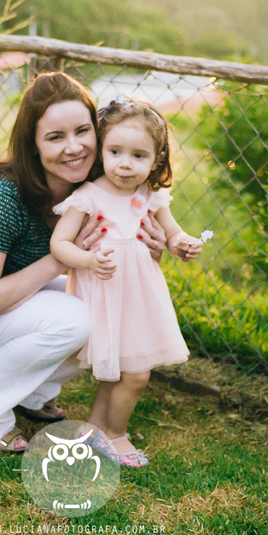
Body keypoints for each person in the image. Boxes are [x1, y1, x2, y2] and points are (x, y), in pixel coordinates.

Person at [0, 72, 168, 453]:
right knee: (74, 319)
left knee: (102, 306)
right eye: (55, 137)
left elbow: (125, 261)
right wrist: (58, 256)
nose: (74, 147)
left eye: (82, 131)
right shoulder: (0, 197)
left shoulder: (98, 185)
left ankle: (33, 395)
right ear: (32, 146)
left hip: (9, 292)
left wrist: (155, 246)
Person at [49, 96, 201, 467]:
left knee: (122, 372)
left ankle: (96, 429)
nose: (125, 164)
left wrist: (182, 244)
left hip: (140, 298)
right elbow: (59, 244)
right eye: (115, 151)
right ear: (101, 151)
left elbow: (171, 235)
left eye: (139, 156)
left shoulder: (150, 197)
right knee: (135, 374)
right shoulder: (87, 198)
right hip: (106, 294)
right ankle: (116, 434)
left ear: (156, 160)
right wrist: (87, 260)